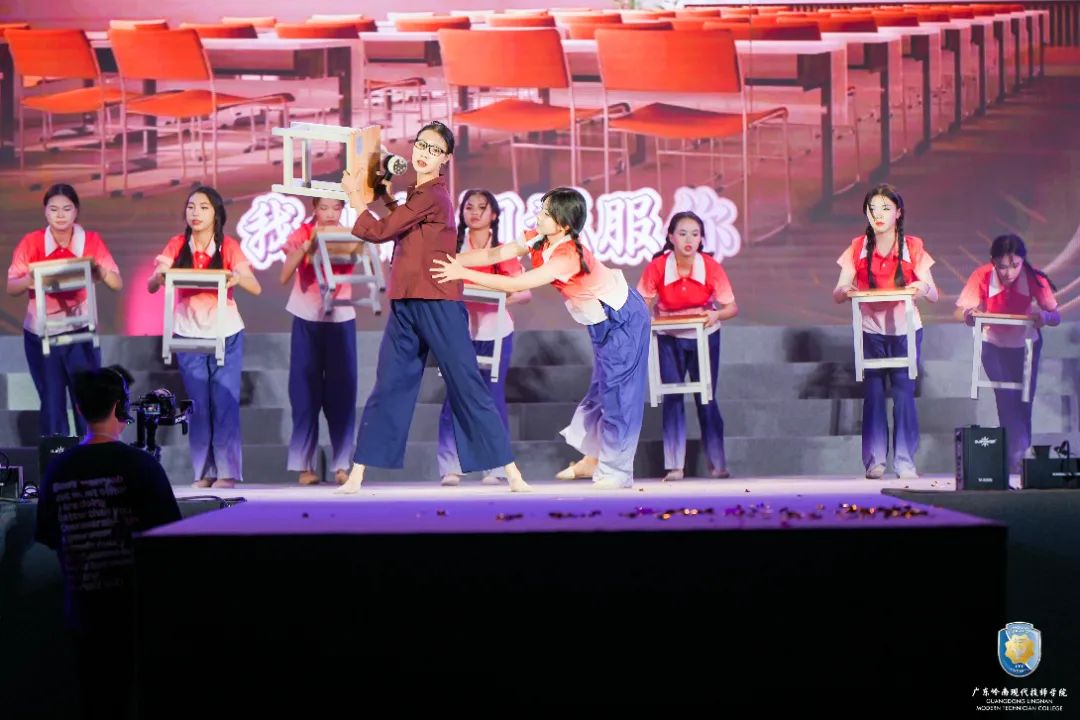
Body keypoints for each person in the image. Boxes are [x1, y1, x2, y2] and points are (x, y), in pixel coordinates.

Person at [336, 121, 530, 493]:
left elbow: (381, 231)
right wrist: (385, 198)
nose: (425, 154)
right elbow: (404, 227)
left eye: (435, 149)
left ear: (446, 158)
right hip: (406, 300)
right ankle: (358, 474)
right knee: (389, 385)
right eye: (421, 145)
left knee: (466, 384)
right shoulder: (418, 194)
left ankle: (511, 472)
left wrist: (356, 197)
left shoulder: (435, 195)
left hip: (438, 301)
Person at [432, 186, 650, 490]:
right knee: (602, 391)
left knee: (619, 395)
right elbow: (498, 253)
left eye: (546, 213)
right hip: (600, 320)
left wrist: (460, 273)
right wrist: (454, 260)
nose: (539, 216)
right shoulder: (539, 236)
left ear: (563, 224)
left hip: (622, 319)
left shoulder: (567, 255)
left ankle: (617, 471)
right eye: (541, 210)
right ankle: (596, 456)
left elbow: (518, 283)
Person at [35, 365, 181, 720]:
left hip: (81, 614)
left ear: (79, 409)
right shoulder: (140, 465)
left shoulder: (58, 468)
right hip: (133, 614)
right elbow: (169, 537)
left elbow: (49, 535)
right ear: (120, 407)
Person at [147, 186, 262, 488]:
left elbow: (254, 286)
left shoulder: (228, 246)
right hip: (188, 333)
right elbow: (153, 281)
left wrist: (237, 277)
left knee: (224, 401)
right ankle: (204, 471)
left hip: (226, 332)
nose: (195, 213)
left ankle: (227, 472)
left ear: (216, 214)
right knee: (198, 404)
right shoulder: (177, 244)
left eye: (203, 207)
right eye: (191, 207)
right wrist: (158, 276)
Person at [833, 184, 938, 480]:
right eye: (872, 209)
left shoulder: (912, 247)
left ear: (898, 213)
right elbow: (838, 291)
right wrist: (847, 290)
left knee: (904, 394)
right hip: (871, 330)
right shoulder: (857, 247)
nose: (878, 215)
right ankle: (875, 460)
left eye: (885, 208)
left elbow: (933, 293)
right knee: (873, 393)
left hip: (905, 329)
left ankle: (905, 461)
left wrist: (920, 286)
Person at [7, 184, 122, 437]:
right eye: (54, 209)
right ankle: (56, 455)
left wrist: (100, 271)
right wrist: (30, 278)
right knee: (52, 402)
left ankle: (88, 453)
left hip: (80, 332)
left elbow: (116, 283)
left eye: (67, 209)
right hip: (40, 334)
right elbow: (11, 286)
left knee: (86, 402)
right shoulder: (32, 242)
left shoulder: (90, 241)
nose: (60, 215)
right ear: (45, 212)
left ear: (76, 211)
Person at [438, 189, 531, 487]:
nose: (475, 212)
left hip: (497, 332)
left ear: (493, 214)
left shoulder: (502, 251)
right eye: (469, 207)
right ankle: (450, 466)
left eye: (482, 207)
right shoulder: (452, 250)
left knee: (492, 399)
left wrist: (496, 296)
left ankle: (496, 466)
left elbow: (524, 292)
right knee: (455, 397)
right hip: (459, 334)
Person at [637, 211, 737, 481]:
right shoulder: (658, 266)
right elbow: (642, 302)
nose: (689, 240)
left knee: (707, 397)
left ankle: (718, 464)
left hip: (704, 336)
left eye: (695, 234)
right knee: (672, 397)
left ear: (701, 238)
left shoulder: (710, 267)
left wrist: (715, 314)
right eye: (682, 234)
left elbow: (731, 307)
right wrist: (645, 317)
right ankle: (675, 466)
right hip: (668, 336)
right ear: (671, 237)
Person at [955, 234, 1060, 473]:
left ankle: (1020, 456)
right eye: (1002, 266)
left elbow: (1056, 315)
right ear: (993, 262)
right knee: (1005, 398)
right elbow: (964, 313)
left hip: (1026, 344)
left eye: (1015, 265)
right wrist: (971, 316)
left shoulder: (1033, 278)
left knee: (1024, 401)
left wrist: (1044, 317)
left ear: (1023, 261)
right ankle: (1016, 456)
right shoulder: (981, 276)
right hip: (993, 344)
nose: (1009, 273)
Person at [279, 196, 359, 485]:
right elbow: (284, 275)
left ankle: (341, 465)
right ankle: (304, 466)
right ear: (314, 208)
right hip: (306, 317)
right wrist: (306, 245)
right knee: (304, 393)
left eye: (335, 208)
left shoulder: (350, 234)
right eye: (323, 207)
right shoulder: (301, 232)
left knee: (343, 394)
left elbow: (361, 254)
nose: (329, 213)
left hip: (340, 317)